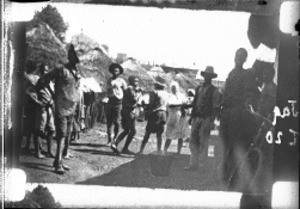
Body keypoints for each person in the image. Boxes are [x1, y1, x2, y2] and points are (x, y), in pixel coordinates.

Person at [220, 48, 260, 190]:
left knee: (235, 145)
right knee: (226, 143)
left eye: (242, 56)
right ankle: (226, 174)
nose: (238, 58)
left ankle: (233, 177)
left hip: (237, 113)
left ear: (245, 59)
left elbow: (249, 94)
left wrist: (247, 107)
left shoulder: (246, 74)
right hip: (226, 113)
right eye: (237, 55)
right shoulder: (231, 73)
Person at [39, 44, 81, 174]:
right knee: (61, 135)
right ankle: (58, 164)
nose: (76, 59)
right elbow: (43, 80)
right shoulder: (61, 69)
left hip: (72, 107)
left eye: (78, 58)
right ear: (70, 56)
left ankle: (58, 161)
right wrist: (53, 95)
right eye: (74, 56)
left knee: (67, 135)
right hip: (61, 107)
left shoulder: (76, 72)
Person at [184, 66, 220, 171]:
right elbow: (195, 103)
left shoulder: (215, 91)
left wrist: (211, 121)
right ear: (204, 76)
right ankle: (193, 163)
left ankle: (201, 165)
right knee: (193, 141)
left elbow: (216, 107)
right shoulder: (198, 88)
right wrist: (191, 117)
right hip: (197, 118)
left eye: (209, 76)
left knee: (203, 142)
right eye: (206, 76)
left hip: (206, 118)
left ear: (211, 77)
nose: (207, 78)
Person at [137, 76, 169, 155]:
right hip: (164, 114)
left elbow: (151, 104)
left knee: (147, 133)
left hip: (155, 114)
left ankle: (141, 151)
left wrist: (146, 109)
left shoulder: (154, 93)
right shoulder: (166, 94)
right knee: (160, 134)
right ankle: (159, 151)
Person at [115, 75, 143, 155]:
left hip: (127, 111)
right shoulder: (130, 88)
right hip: (128, 111)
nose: (137, 83)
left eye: (137, 81)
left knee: (127, 130)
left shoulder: (131, 89)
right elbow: (134, 99)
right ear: (131, 81)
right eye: (135, 81)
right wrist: (139, 93)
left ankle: (116, 144)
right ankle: (124, 148)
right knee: (133, 131)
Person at [33, 63, 56, 158]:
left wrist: (52, 101)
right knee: (39, 130)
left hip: (50, 108)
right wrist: (38, 102)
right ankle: (37, 152)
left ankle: (49, 151)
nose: (44, 72)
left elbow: (54, 95)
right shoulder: (40, 81)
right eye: (43, 70)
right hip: (42, 108)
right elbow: (31, 92)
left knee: (51, 130)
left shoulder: (50, 82)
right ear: (40, 71)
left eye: (46, 70)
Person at [105, 63, 127, 153]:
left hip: (119, 102)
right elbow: (106, 90)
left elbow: (126, 91)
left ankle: (114, 139)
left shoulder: (122, 81)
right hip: (111, 101)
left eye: (117, 70)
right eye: (114, 70)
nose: (115, 72)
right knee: (109, 121)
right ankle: (109, 139)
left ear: (119, 72)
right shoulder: (109, 80)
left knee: (117, 122)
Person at [163, 81, 188, 154]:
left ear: (177, 88)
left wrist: (183, 107)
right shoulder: (169, 96)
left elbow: (186, 103)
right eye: (172, 88)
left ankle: (179, 151)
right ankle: (165, 150)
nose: (174, 89)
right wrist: (181, 105)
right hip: (172, 115)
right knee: (169, 134)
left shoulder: (182, 95)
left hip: (181, 116)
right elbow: (170, 105)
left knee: (180, 134)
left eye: (175, 88)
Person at [22, 61, 42, 154]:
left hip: (30, 103)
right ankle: (35, 147)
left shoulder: (27, 77)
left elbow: (26, 91)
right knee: (35, 125)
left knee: (30, 125)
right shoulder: (37, 78)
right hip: (35, 103)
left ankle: (28, 146)